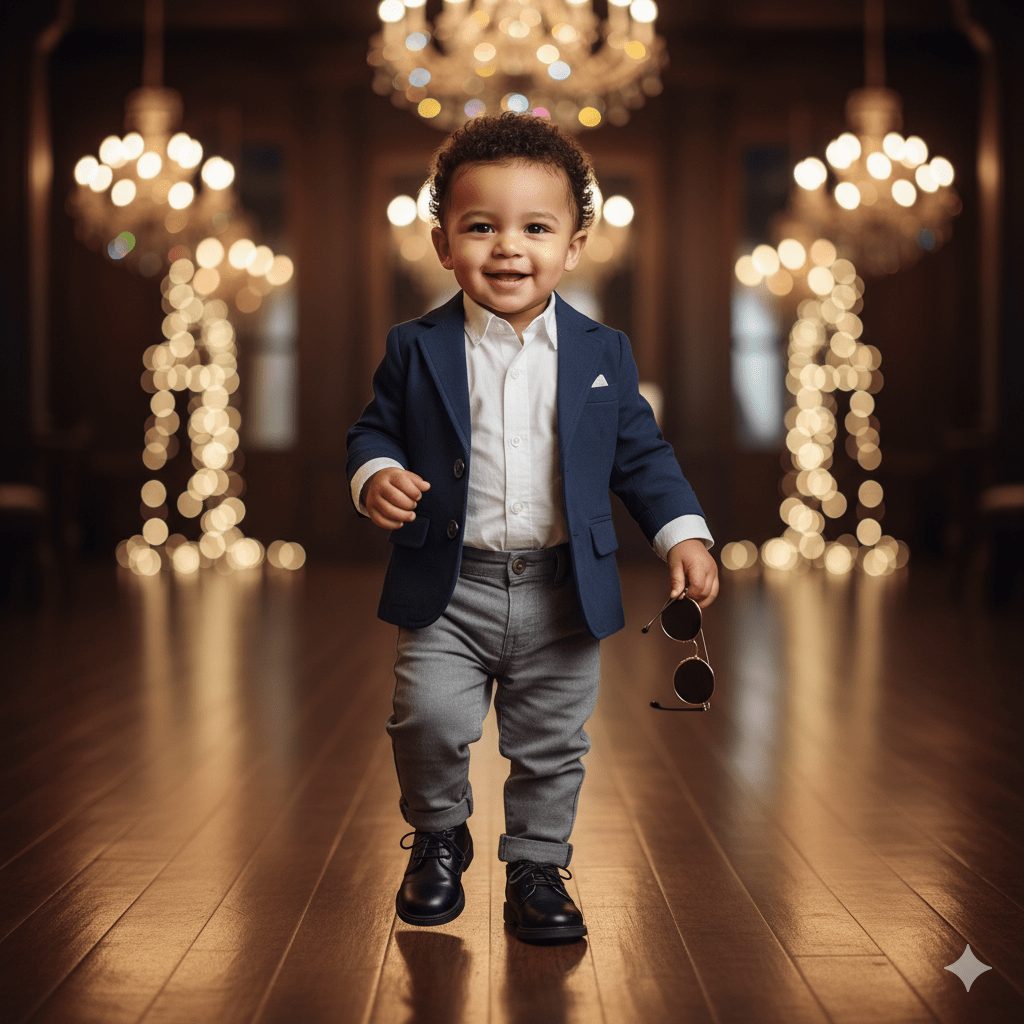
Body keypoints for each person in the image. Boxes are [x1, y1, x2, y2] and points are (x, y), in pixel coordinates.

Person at [346, 112, 719, 944]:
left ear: (575, 244)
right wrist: (375, 474)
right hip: (449, 587)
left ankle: (537, 869)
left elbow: (641, 455)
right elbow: (374, 430)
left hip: (561, 590)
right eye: (481, 226)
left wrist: (682, 533)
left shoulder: (602, 352)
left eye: (536, 228)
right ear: (443, 243)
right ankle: (439, 835)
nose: (508, 247)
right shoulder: (415, 346)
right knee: (429, 721)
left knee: (552, 742)